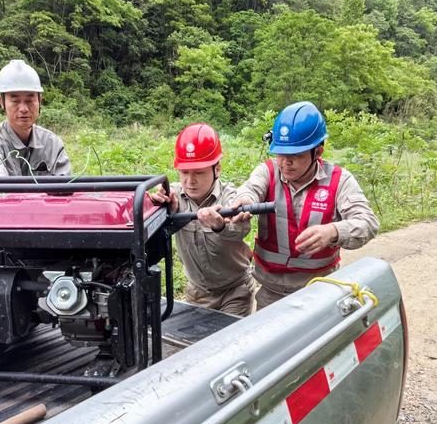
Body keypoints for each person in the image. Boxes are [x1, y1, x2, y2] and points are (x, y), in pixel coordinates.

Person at [230, 101, 379, 309]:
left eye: (295, 156)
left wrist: (333, 231)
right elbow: (250, 190)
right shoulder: (267, 172)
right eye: (281, 154)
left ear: (317, 152)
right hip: (270, 294)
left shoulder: (339, 180)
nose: (285, 163)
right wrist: (246, 200)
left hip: (320, 293)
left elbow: (368, 223)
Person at [151, 123, 256, 317]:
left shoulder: (230, 197)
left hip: (234, 291)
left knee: (231, 343)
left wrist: (219, 225)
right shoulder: (173, 197)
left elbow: (241, 230)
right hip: (197, 292)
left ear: (217, 169)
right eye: (184, 172)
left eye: (199, 172)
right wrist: (160, 208)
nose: (190, 181)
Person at [0, 59, 71, 177]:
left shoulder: (53, 144)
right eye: (15, 101)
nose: (23, 108)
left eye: (30, 100)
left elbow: (65, 188)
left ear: (39, 100)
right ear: (1, 102)